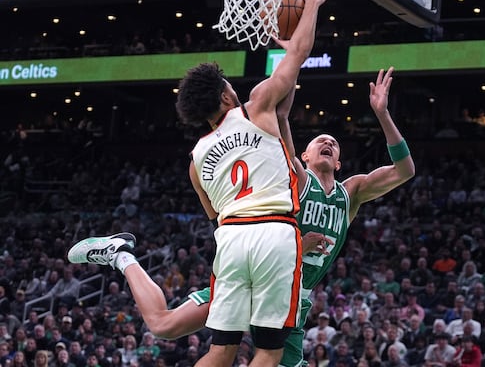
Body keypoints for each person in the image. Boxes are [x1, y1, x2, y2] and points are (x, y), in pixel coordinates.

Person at [67, 0, 338, 367]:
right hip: (274, 233)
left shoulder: (196, 161)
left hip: (230, 239)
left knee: (220, 350)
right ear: (228, 96)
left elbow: (215, 219)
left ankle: (123, 259)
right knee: (268, 351)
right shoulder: (256, 106)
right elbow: (302, 54)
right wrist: (311, 4)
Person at [68, 64, 414, 367]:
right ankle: (122, 256)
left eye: (333, 144)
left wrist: (382, 114)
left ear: (338, 163)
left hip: (291, 295)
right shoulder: (294, 174)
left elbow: (405, 170)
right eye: (319, 140)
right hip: (256, 273)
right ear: (303, 156)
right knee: (163, 326)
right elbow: (279, 117)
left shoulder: (350, 193)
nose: (327, 142)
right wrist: (296, 243)